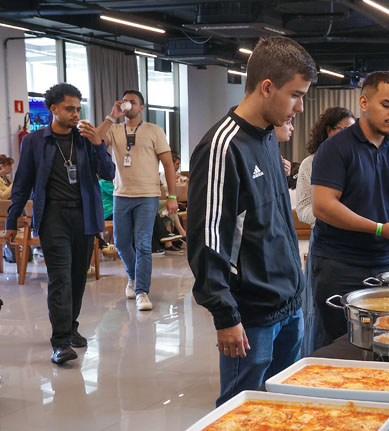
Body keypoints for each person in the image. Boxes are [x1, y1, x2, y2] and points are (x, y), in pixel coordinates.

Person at [187, 35, 315, 406]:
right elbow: (207, 238)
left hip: (288, 304)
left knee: (282, 408)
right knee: (240, 414)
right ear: (267, 87)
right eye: (295, 95)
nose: (300, 107)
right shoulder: (222, 146)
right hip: (251, 316)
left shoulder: (268, 138)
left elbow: (275, 222)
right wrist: (225, 315)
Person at [4, 83, 115, 364]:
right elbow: (22, 183)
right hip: (53, 217)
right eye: (69, 109)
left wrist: (98, 144)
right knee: (60, 278)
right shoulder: (34, 141)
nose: (76, 114)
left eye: (78, 109)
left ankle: (71, 326)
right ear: (53, 109)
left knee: (78, 278)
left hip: (84, 217)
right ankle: (61, 341)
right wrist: (12, 220)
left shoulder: (87, 139)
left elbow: (108, 173)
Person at [311, 71, 389, 347]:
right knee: (342, 347)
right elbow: (323, 206)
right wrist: (378, 229)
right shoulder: (335, 148)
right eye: (387, 105)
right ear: (364, 103)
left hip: (388, 262)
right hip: (341, 265)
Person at [95, 89, 177, 312]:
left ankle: (142, 291)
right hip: (121, 194)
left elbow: (168, 164)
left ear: (141, 107)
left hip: (147, 195)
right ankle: (133, 276)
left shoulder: (154, 130)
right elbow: (96, 140)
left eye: (133, 102)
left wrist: (171, 196)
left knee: (142, 244)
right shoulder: (114, 129)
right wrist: (111, 116)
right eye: (125, 101)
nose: (128, 104)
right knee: (121, 243)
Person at [294, 106, 355, 356]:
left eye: (353, 129)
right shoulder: (311, 163)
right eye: (344, 129)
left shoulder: (358, 158)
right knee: (324, 315)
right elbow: (303, 209)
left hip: (358, 243)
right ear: (329, 131)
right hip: (326, 243)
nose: (350, 134)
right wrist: (334, 216)